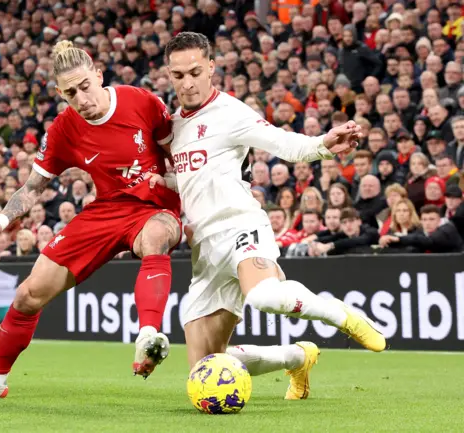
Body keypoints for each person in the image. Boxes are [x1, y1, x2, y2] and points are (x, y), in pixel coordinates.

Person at [149, 32, 386, 400]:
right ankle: (297, 357)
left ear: (211, 68)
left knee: (263, 296)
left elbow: (284, 144)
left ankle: (338, 314)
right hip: (205, 249)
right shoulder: (173, 126)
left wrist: (323, 143)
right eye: (178, 75)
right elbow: (192, 179)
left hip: (240, 225)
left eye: (195, 71)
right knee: (205, 368)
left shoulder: (231, 113)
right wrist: (160, 180)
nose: (188, 82)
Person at [0, 41, 182, 400]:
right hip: (105, 212)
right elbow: (31, 189)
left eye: (85, 86)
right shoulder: (64, 128)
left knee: (154, 238)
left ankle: (148, 336)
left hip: (155, 206)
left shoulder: (142, 101)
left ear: (99, 76)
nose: (81, 97)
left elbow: (180, 158)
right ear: (61, 93)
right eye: (70, 92)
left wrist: (193, 203)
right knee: (28, 295)